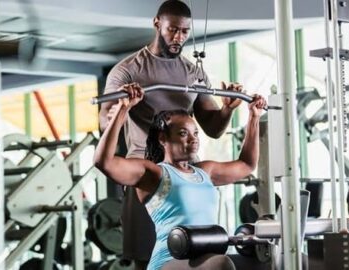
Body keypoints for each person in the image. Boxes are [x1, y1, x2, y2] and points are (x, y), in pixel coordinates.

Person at [99, 0, 243, 268]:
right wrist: (119, 109)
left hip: (187, 177)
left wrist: (226, 110)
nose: (179, 38)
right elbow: (104, 121)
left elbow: (212, 127)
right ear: (157, 24)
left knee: (198, 254)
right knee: (149, 258)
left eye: (185, 32)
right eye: (172, 30)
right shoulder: (128, 70)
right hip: (147, 175)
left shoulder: (193, 72)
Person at [94, 85, 266, 269]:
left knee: (266, 263)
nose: (193, 139)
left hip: (206, 260)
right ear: (162, 138)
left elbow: (247, 165)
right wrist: (123, 109)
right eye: (183, 133)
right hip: (168, 262)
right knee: (221, 264)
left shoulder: (205, 172)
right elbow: (104, 162)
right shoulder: (153, 174)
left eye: (195, 133)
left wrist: (254, 116)